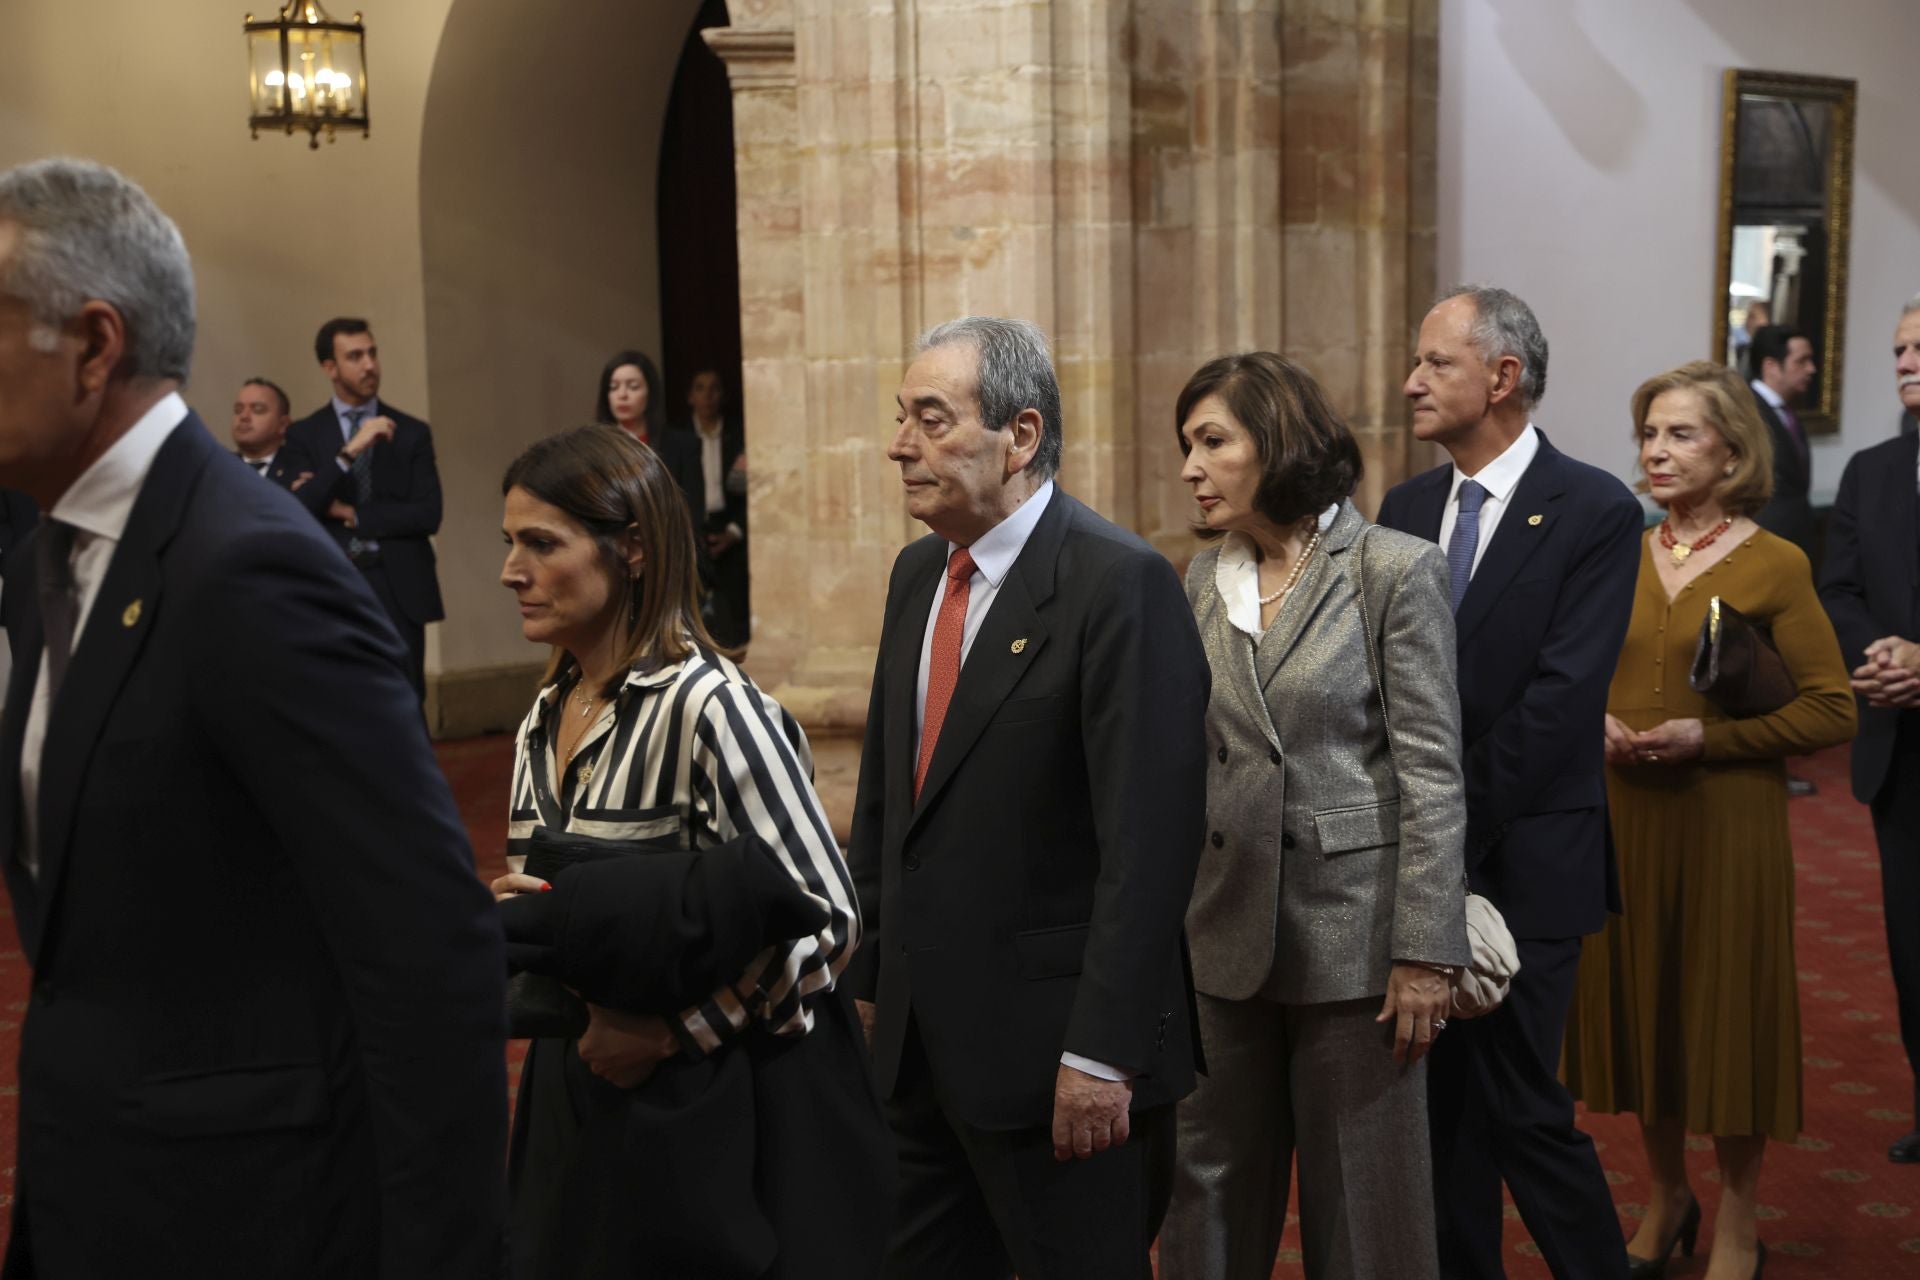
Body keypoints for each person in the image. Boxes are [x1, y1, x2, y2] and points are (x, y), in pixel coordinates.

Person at [0, 158, 506, 1277]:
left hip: (251, 1219)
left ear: (93, 344)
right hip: (102, 1197)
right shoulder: (44, 566)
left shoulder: (248, 566)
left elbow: (427, 949)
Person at [845, 316, 1210, 1280]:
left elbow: (1150, 845)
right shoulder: (918, 574)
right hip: (918, 1054)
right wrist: (871, 979)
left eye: (931, 419)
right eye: (900, 417)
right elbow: (890, 805)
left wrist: (1102, 1055)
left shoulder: (1119, 583)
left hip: (1058, 1067)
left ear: (1021, 435)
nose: (899, 445)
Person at [491, 425, 884, 1278]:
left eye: (542, 544)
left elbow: (830, 920)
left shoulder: (711, 706)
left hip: (708, 1114)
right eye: (510, 543)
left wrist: (671, 1033)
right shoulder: (540, 718)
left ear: (631, 548)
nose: (511, 571)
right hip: (576, 1089)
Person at [1157, 352, 1467, 1280]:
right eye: (1186, 446)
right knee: (1205, 1189)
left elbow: (1432, 773)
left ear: (1277, 443)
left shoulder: (1393, 568)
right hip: (1220, 929)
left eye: (1212, 442)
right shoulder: (1201, 578)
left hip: (1356, 942)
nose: (1190, 468)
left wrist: (1426, 949)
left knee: (1364, 1204)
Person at [1564, 360, 1855, 1280]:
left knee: (1726, 1015)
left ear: (1732, 452)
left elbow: (1832, 710)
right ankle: (1665, 1196)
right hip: (1626, 818)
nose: (1656, 450)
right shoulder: (1616, 549)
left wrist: (1710, 738)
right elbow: (1567, 672)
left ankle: (1737, 1216)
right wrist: (1590, 721)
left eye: (1680, 433)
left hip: (1728, 821)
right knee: (1646, 1008)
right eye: (1649, 433)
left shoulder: (1777, 562)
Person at [1376, 284, 1640, 1280]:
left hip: (1527, 858)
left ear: (1503, 376)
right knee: (1439, 1121)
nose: (1411, 381)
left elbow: (1562, 700)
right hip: (1420, 868)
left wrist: (1441, 820)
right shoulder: (1405, 508)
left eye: (1435, 362)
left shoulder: (1596, 508)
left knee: (1525, 1110)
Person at [1818, 293, 1920, 1164]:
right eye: (1899, 350)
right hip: (1898, 747)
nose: (1905, 363)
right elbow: (1839, 588)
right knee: (1912, 946)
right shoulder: (1873, 469)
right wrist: (1883, 654)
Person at [283, 317, 445, 697]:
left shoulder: (411, 432)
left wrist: (351, 514)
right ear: (330, 367)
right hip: (332, 579)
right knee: (336, 698)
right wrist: (350, 451)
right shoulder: (304, 434)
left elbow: (428, 513)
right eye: (355, 356)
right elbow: (298, 508)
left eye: (372, 353)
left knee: (405, 698)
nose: (370, 365)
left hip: (396, 582)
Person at [676, 367, 749, 646]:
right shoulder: (678, 437)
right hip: (691, 528)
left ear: (723, 395)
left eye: (714, 388)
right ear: (690, 397)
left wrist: (734, 531)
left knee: (735, 612)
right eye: (700, 388)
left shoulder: (739, 435)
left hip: (730, 527)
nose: (707, 395)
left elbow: (755, 491)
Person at [1746, 325, 1818, 557]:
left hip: (1794, 541)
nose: (1811, 369)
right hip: (1763, 545)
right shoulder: (1746, 411)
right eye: (1801, 361)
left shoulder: (1786, 412)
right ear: (1771, 367)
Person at [229, 376, 305, 488]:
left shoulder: (299, 471)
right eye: (238, 410)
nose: (244, 416)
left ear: (283, 424)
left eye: (257, 409)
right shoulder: (219, 467)